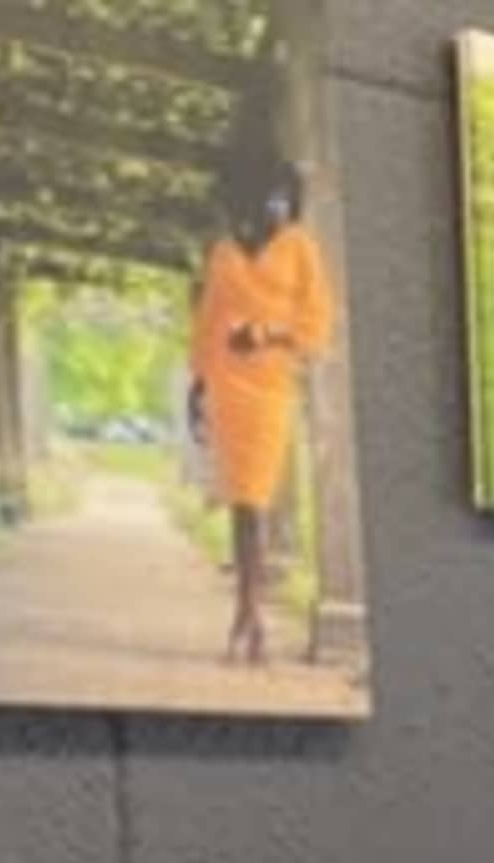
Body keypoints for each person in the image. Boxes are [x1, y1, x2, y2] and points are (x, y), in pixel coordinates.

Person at [191, 156, 335, 669]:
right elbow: (208, 319)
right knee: (240, 500)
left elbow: (317, 324)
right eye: (266, 194)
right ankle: (246, 615)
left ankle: (250, 615)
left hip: (271, 384)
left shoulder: (300, 247)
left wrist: (269, 333)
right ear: (246, 197)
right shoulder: (225, 251)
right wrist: (198, 384)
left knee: (258, 496)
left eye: (284, 196)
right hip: (228, 383)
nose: (276, 204)